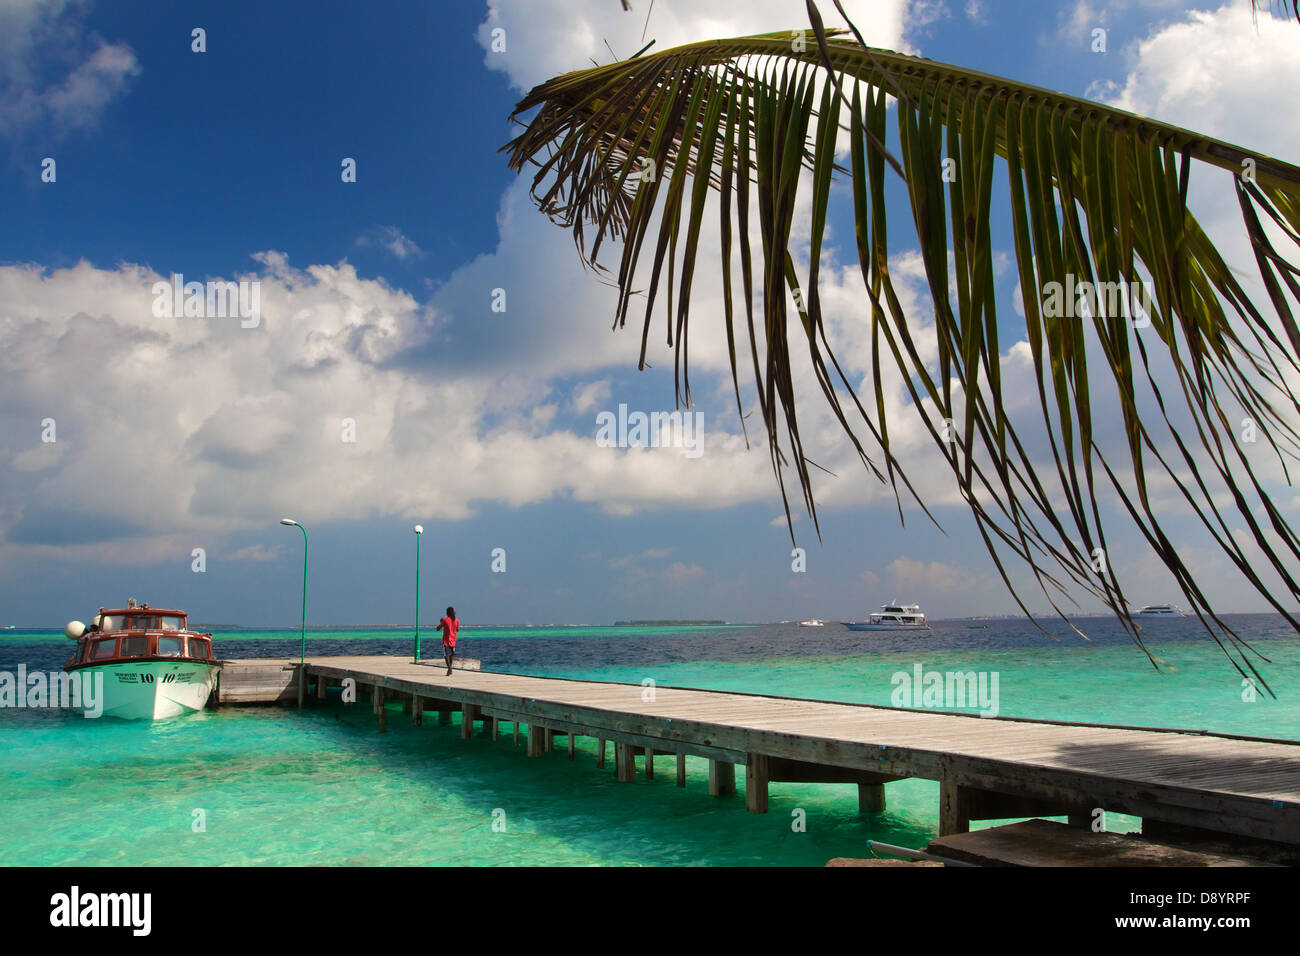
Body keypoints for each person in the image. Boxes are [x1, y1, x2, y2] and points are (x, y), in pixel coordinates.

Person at [437, 606, 459, 676]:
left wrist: (442, 622)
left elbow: (438, 628)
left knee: (446, 655)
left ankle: (449, 668)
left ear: (447, 613)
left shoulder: (445, 620)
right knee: (451, 655)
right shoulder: (456, 620)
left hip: (446, 640)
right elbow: (457, 629)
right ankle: (450, 668)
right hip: (453, 640)